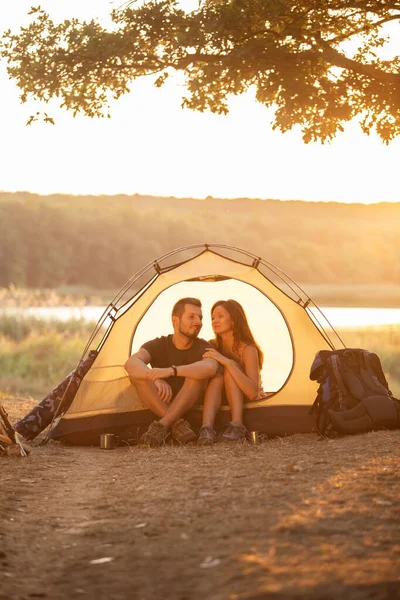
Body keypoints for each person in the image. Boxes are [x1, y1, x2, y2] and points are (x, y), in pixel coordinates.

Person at [124, 297, 219, 447]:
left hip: (189, 405)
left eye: (200, 318)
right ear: (175, 321)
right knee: (138, 377)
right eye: (191, 317)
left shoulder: (203, 346)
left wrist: (171, 371)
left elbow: (211, 367)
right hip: (162, 401)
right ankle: (176, 425)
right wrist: (155, 377)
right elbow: (131, 363)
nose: (198, 322)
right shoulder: (159, 344)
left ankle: (162, 426)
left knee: (196, 375)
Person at [197, 299, 264, 445]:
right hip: (219, 398)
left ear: (233, 320)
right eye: (213, 318)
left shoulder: (248, 349)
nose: (215, 321)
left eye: (220, 316)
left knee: (229, 369)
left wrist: (227, 362)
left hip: (245, 396)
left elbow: (252, 392)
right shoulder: (213, 346)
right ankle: (206, 428)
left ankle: (237, 426)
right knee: (217, 376)